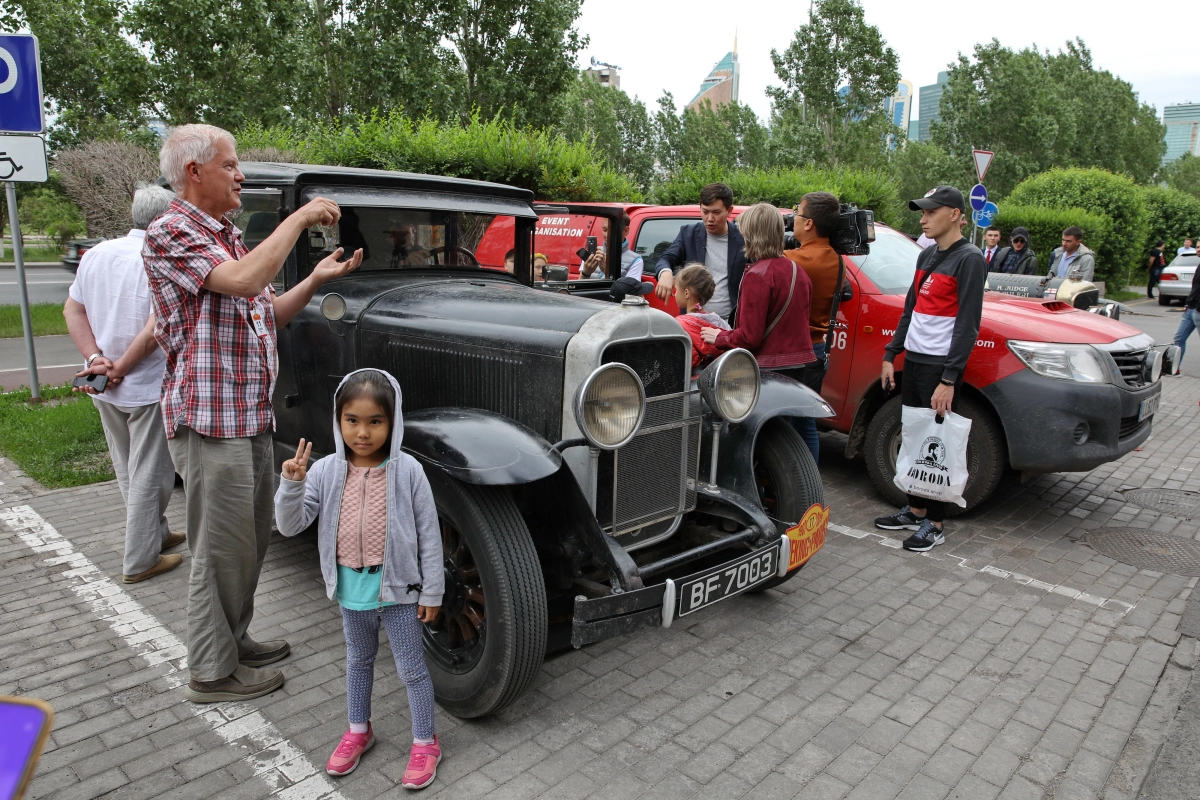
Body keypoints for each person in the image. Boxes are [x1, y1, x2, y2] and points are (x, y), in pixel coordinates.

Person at [144, 123, 364, 703]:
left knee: (249, 543)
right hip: (211, 424)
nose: (242, 175)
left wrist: (316, 278)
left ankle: (233, 642)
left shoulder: (223, 237)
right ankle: (211, 672)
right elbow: (242, 284)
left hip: (247, 419)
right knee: (219, 548)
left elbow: (268, 311)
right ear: (194, 172)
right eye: (231, 165)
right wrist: (296, 219)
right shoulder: (170, 233)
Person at [275, 369, 443, 787]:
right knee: (358, 662)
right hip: (352, 592)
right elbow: (290, 525)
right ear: (338, 420)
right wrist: (291, 485)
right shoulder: (326, 471)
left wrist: (433, 590)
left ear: (393, 422)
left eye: (375, 421)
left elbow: (430, 535)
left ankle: (426, 742)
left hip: (401, 594)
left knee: (412, 671)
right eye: (352, 420)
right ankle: (358, 730)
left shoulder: (408, 472)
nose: (362, 433)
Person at [63, 184, 184, 584]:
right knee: (152, 473)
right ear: (168, 220)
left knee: (126, 465)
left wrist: (97, 361)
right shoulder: (160, 258)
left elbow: (73, 309)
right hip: (147, 384)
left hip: (103, 384)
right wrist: (123, 367)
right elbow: (155, 330)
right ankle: (140, 559)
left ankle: (157, 534)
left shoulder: (97, 253)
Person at [875, 186, 986, 552]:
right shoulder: (926, 256)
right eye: (921, 212)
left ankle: (935, 523)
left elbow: (968, 324)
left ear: (954, 214)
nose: (922, 219)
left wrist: (949, 379)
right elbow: (910, 310)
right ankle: (916, 508)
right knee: (914, 436)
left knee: (934, 444)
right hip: (916, 362)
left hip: (940, 367)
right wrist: (892, 354)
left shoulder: (969, 259)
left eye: (930, 212)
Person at [700, 203, 817, 453]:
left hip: (767, 370)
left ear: (751, 235)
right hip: (797, 368)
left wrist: (718, 336)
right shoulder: (798, 271)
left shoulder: (758, 275)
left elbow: (750, 337)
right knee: (788, 441)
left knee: (756, 442)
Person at [781, 191, 842, 462]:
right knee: (806, 423)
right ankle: (811, 482)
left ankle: (795, 482)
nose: (793, 217)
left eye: (797, 212)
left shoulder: (796, 259)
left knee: (786, 426)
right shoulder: (837, 259)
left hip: (796, 352)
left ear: (808, 224)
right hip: (819, 349)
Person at [654, 183, 746, 323]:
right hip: (695, 322)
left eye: (716, 212)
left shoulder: (743, 238)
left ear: (729, 210)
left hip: (731, 324)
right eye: (705, 211)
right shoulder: (688, 234)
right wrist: (665, 273)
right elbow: (667, 258)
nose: (709, 218)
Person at [673, 263, 730, 368]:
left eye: (676, 290)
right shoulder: (721, 323)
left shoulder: (678, 326)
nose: (674, 294)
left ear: (686, 293)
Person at [1171, 267, 1200, 374]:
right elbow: (1195, 287)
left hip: (1198, 310)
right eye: (1197, 248)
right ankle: (1175, 368)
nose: (1198, 249)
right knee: (1179, 338)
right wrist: (1188, 303)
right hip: (1190, 309)